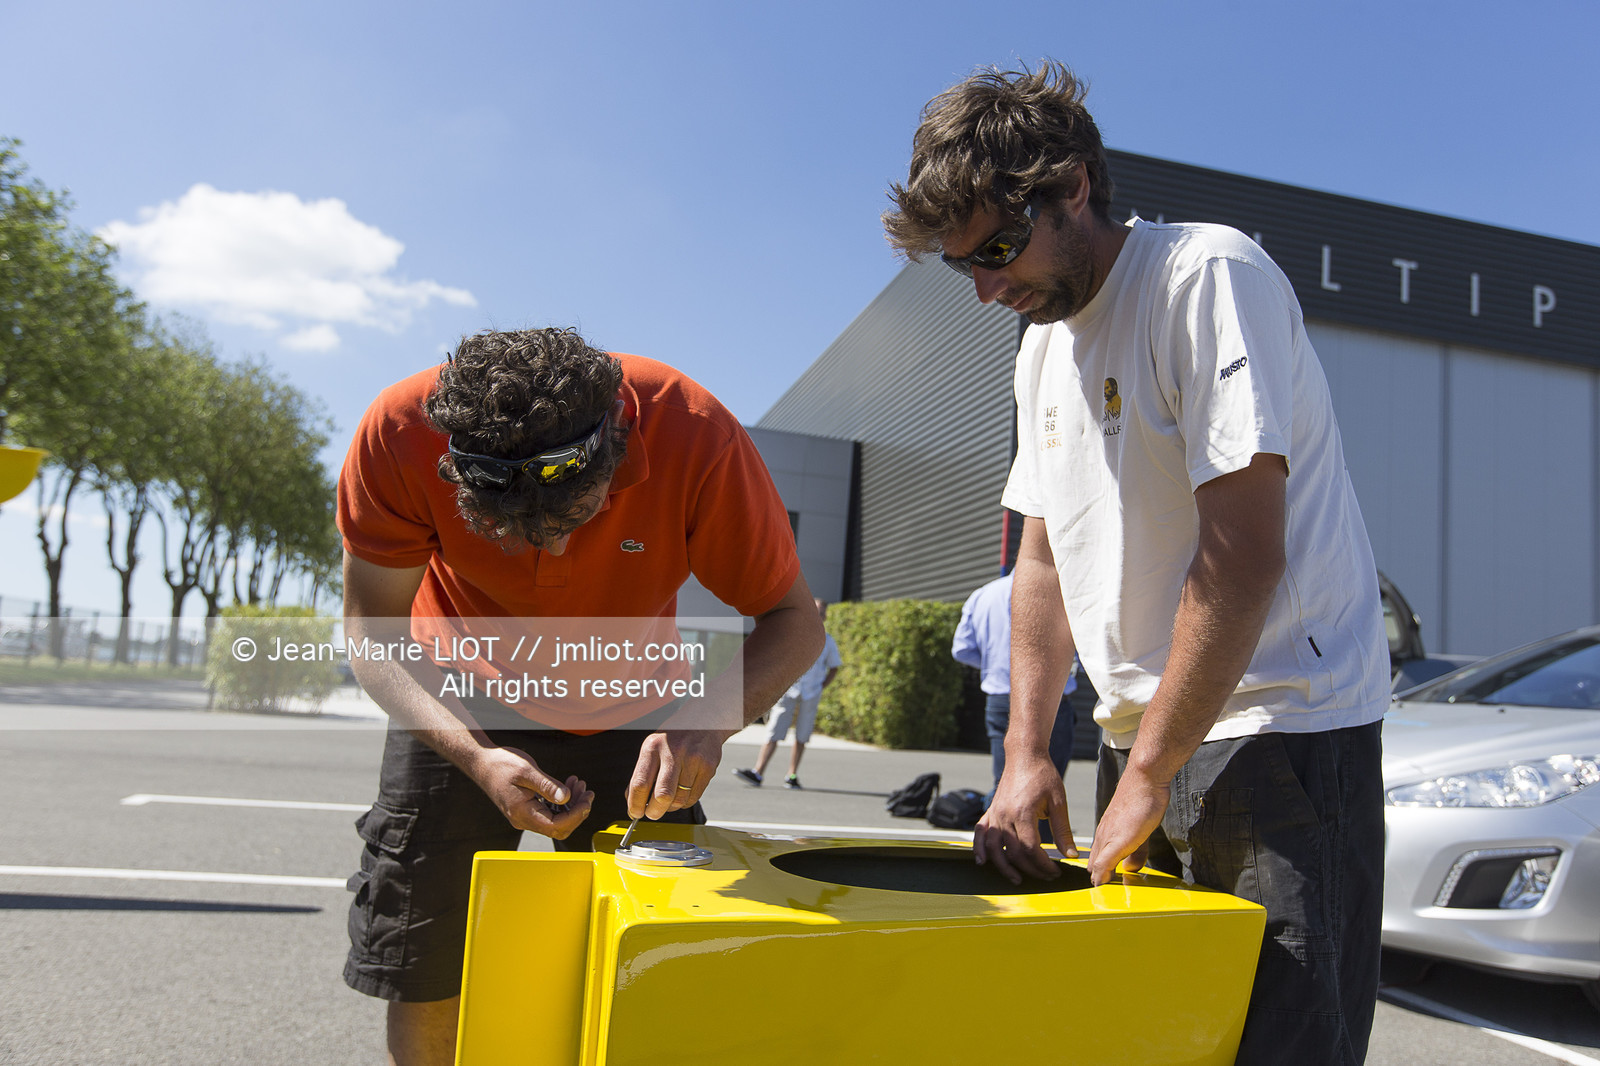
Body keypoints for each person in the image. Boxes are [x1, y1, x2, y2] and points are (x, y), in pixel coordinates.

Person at [884, 64, 1388, 1066]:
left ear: (1072, 186)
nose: (985, 286)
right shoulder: (1040, 350)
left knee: (1277, 1048)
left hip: (1274, 732)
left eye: (995, 248)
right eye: (961, 267)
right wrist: (1029, 751)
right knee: (1146, 1041)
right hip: (1138, 740)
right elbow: (1039, 561)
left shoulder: (1204, 277)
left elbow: (1241, 557)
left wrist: (1150, 771)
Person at [337, 327, 822, 1065]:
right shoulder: (398, 432)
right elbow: (373, 636)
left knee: (649, 960)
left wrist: (708, 723)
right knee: (425, 964)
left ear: (619, 445)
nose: (552, 554)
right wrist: (476, 758)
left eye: (573, 519)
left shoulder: (691, 430)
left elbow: (794, 622)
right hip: (460, 700)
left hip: (639, 711)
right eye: (510, 531)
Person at [951, 569, 1077, 800]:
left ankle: (995, 836)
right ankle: (1040, 837)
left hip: (1001, 697)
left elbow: (961, 649)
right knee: (1048, 789)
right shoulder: (1062, 593)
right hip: (1050, 699)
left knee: (1003, 784)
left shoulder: (983, 594)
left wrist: (997, 666)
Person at [734, 598, 842, 789]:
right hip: (788, 690)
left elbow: (834, 667)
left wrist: (821, 686)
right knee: (774, 730)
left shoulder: (828, 641)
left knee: (802, 735)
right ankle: (758, 772)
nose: (817, 615)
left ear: (824, 616)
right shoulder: (793, 635)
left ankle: (791, 775)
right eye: (814, 611)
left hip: (811, 694)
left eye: (821, 612)